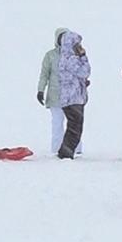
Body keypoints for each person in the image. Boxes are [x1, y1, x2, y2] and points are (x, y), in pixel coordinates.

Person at [37, 28, 81, 157]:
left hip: (73, 96)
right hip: (55, 95)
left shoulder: (76, 53)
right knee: (57, 123)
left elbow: (81, 71)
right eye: (61, 37)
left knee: (74, 123)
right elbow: (44, 74)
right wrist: (40, 90)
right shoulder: (50, 55)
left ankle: (76, 148)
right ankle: (56, 148)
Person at [56, 31, 91, 159]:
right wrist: (83, 56)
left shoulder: (64, 58)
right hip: (73, 98)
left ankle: (65, 150)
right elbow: (85, 71)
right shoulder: (71, 59)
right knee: (75, 126)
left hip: (68, 97)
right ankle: (66, 152)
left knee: (73, 125)